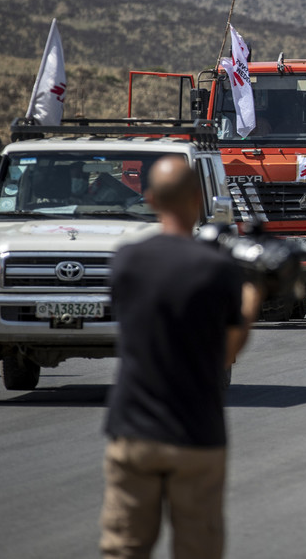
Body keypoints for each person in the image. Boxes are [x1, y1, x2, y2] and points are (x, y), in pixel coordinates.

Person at [100, 155, 262, 558]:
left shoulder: (126, 262)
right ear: (197, 199)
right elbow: (227, 351)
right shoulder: (217, 269)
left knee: (124, 547)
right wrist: (253, 296)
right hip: (195, 435)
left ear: (150, 198)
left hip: (133, 431)